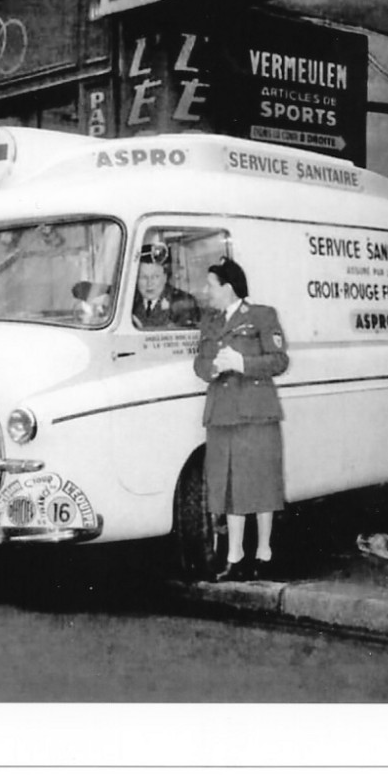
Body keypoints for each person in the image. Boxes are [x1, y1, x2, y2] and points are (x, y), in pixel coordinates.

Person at [193, 257, 288, 582]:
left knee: (261, 483)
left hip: (255, 412)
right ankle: (234, 556)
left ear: (228, 287)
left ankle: (265, 552)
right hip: (222, 414)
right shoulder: (210, 322)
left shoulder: (262, 315)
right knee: (229, 485)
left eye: (211, 285)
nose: (206, 291)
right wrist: (214, 368)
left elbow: (279, 360)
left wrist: (242, 362)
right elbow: (200, 364)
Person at [132, 242, 201, 329]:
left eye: (155, 277)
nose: (149, 283)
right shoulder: (130, 303)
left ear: (165, 277)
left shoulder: (183, 302)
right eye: (143, 277)